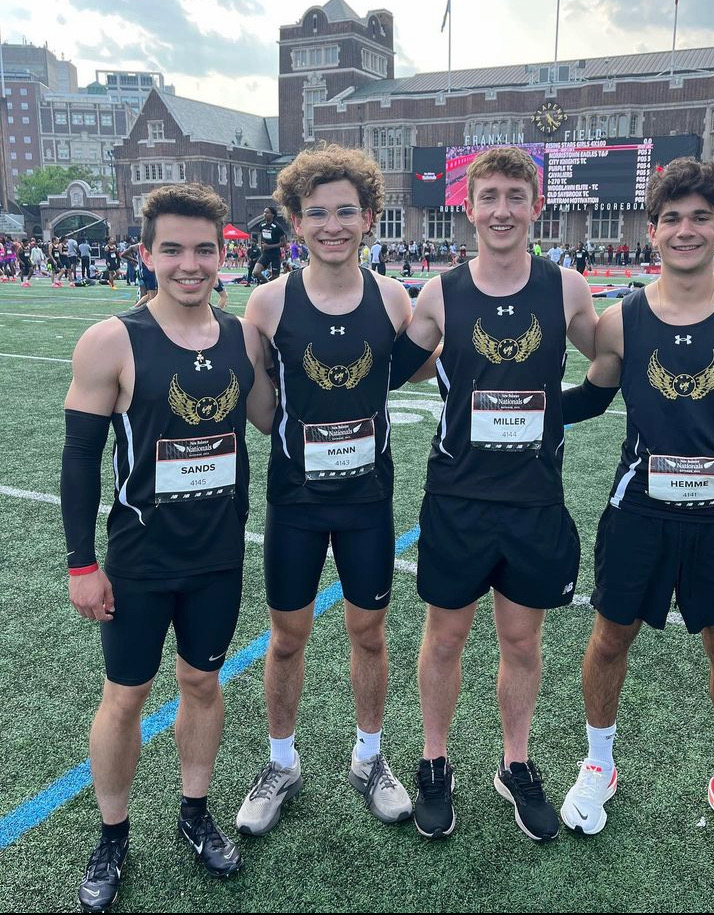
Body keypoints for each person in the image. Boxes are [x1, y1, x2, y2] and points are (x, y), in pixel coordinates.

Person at [559, 157, 714, 862]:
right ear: (653, 230)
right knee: (610, 637)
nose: (685, 230)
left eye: (700, 217)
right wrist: (504, 404)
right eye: (672, 218)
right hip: (638, 510)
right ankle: (599, 763)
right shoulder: (621, 321)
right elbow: (591, 396)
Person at [61, 183, 276, 912]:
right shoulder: (112, 340)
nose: (191, 264)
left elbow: (271, 418)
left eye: (205, 250)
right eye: (174, 249)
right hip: (141, 559)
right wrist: (82, 564)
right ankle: (113, 834)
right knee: (125, 698)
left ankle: (194, 810)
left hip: (217, 556)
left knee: (203, 684)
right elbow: (79, 460)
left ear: (222, 255)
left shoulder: (241, 336)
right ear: (147, 253)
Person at [393, 146, 598, 842]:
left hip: (534, 499)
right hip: (458, 498)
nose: (502, 210)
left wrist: (560, 410)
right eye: (490, 197)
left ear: (537, 207)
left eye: (516, 196)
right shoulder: (440, 293)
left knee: (521, 639)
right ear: (469, 207)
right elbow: (393, 369)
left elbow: (609, 362)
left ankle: (515, 763)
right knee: (445, 637)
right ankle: (434, 761)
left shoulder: (566, 287)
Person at [236, 143, 418, 840]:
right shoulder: (267, 302)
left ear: (369, 217)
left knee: (368, 632)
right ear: (295, 221)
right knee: (287, 638)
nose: (332, 225)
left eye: (346, 211)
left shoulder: (393, 298)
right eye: (317, 213)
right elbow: (262, 411)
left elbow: (413, 369)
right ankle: (281, 764)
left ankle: (369, 758)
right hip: (296, 502)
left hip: (368, 500)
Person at [252, 206, 286, 284]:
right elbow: (262, 238)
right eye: (264, 212)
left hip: (275, 254)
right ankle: (266, 284)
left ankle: (270, 286)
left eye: (267, 212)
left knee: (275, 277)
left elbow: (284, 243)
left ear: (272, 215)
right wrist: (261, 246)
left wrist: (269, 246)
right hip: (265, 254)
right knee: (256, 272)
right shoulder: (262, 225)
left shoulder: (277, 227)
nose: (264, 214)